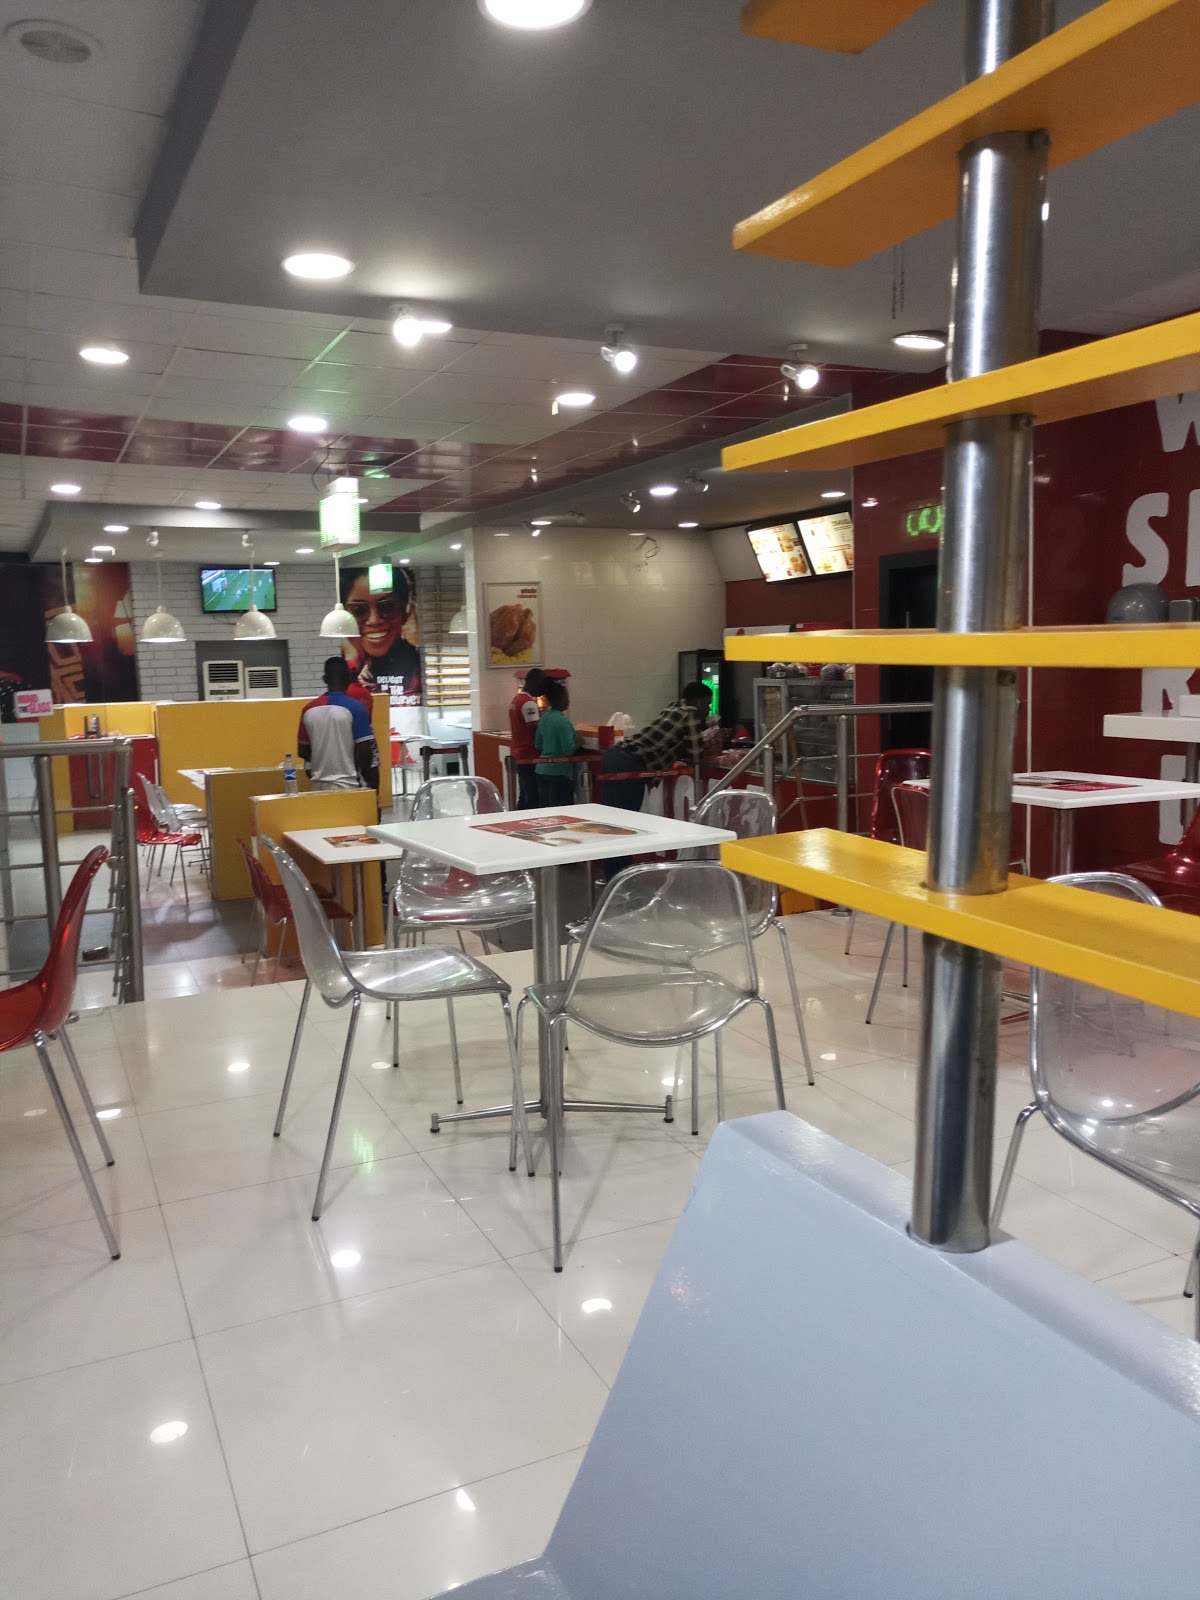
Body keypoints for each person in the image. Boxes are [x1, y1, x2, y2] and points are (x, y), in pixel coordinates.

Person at [598, 681, 716, 813]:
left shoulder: (674, 706)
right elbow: (696, 756)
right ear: (696, 702)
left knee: (612, 812)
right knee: (626, 813)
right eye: (706, 704)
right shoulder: (690, 714)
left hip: (614, 754)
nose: (708, 709)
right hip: (630, 762)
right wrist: (708, 743)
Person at [340, 566, 422, 708]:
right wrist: (353, 662)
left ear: (406, 610)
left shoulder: (417, 669)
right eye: (359, 610)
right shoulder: (353, 666)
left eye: (387, 607)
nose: (374, 620)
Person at [298, 657, 380, 792]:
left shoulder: (308, 709)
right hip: (350, 786)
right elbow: (365, 754)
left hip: (318, 786)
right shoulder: (356, 708)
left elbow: (302, 751)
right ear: (348, 678)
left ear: (324, 679)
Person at [534, 679, 577, 807]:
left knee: (545, 809)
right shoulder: (564, 722)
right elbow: (568, 750)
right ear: (561, 699)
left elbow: (538, 745)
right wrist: (579, 742)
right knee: (560, 809)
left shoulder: (543, 719)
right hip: (559, 772)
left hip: (541, 770)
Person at [509, 667, 547, 808]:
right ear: (534, 681)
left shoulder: (516, 700)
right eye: (542, 684)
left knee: (524, 794)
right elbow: (534, 730)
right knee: (532, 796)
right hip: (529, 755)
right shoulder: (529, 703)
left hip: (519, 753)